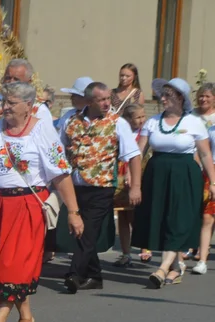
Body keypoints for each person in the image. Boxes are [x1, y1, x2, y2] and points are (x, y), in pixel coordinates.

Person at [0, 81, 83, 322]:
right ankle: (26, 320)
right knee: (0, 264)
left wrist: (73, 211)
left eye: (11, 103)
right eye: (3, 102)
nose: (4, 107)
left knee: (13, 265)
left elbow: (60, 173)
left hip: (26, 206)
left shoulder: (42, 130)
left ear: (28, 106)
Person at [59, 82, 142, 292]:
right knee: (78, 230)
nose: (106, 103)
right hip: (75, 186)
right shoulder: (70, 121)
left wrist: (135, 187)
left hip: (101, 187)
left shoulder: (117, 123)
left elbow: (133, 156)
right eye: (101, 100)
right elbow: (59, 152)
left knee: (88, 232)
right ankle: (94, 276)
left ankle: (74, 274)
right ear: (88, 102)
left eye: (108, 99)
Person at [133, 78, 215, 288]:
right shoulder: (153, 122)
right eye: (163, 94)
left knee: (178, 221)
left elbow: (205, 155)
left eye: (167, 95)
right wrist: (134, 180)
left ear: (180, 98)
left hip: (185, 175)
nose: (162, 99)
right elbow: (139, 152)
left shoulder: (193, 122)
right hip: (157, 174)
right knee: (162, 220)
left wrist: (213, 182)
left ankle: (162, 268)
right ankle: (176, 268)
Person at [112, 103, 148, 267]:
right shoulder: (120, 130)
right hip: (120, 173)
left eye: (143, 116)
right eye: (137, 117)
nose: (141, 120)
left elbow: (141, 154)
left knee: (136, 214)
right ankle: (126, 253)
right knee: (123, 216)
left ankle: (144, 247)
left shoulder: (144, 133)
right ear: (127, 119)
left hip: (138, 172)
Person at [192, 83, 215, 273]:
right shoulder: (191, 116)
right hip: (198, 168)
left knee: (209, 216)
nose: (203, 99)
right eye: (201, 96)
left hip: (212, 168)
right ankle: (201, 257)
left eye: (207, 96)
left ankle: (202, 253)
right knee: (204, 214)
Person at [2, 59, 53, 125]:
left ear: (29, 82)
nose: (11, 82)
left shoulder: (40, 111)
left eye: (16, 79)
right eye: (8, 78)